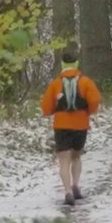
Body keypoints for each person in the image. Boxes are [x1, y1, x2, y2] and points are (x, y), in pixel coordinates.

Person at [40, 50, 102, 206]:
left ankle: (67, 192)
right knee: (76, 157)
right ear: (76, 64)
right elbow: (95, 101)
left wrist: (53, 111)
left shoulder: (55, 84)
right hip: (80, 124)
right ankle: (75, 185)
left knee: (64, 161)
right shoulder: (86, 82)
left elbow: (46, 108)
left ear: (62, 65)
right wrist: (88, 112)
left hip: (61, 126)